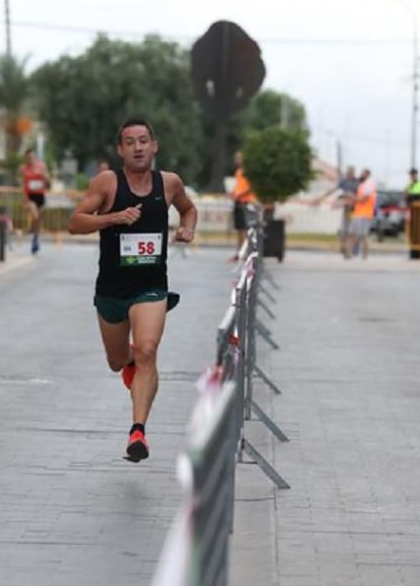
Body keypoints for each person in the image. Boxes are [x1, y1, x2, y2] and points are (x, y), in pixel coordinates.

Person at [68, 118, 198, 463]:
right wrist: (112, 218)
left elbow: (188, 208)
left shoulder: (169, 183)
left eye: (144, 141)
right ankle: (128, 363)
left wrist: (188, 229)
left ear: (154, 146)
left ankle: (137, 431)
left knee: (147, 350)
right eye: (130, 142)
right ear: (120, 150)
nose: (138, 147)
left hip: (151, 286)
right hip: (112, 287)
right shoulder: (108, 182)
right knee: (117, 360)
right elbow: (75, 222)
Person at [313, 166, 359, 258]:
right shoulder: (344, 181)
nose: (349, 175)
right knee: (344, 230)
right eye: (348, 173)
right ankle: (344, 248)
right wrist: (321, 198)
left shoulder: (357, 183)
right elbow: (333, 190)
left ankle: (349, 250)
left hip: (355, 208)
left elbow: (361, 196)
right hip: (346, 207)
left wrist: (352, 196)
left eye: (350, 173)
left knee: (352, 231)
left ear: (353, 173)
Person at [21, 149, 51, 254]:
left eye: (32, 157)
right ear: (26, 158)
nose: (30, 159)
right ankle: (34, 237)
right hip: (30, 196)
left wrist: (44, 176)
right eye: (28, 158)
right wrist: (24, 197)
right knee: (35, 215)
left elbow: (48, 182)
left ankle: (35, 238)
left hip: (40, 195)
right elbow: (24, 184)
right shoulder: (24, 169)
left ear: (35, 157)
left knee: (38, 219)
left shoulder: (41, 166)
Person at [230, 151, 257, 260]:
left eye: (238, 158)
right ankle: (240, 252)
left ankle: (245, 252)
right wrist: (233, 192)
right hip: (239, 201)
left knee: (245, 229)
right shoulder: (239, 171)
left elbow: (250, 187)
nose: (236, 160)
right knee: (240, 229)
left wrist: (239, 194)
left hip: (246, 201)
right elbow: (239, 186)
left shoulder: (248, 172)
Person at [346, 169, 377, 260]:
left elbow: (364, 198)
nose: (360, 175)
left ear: (367, 174)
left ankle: (364, 256)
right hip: (358, 213)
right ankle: (350, 254)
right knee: (352, 234)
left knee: (363, 236)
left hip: (364, 214)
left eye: (362, 174)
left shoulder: (369, 184)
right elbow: (358, 198)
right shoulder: (362, 185)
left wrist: (351, 197)